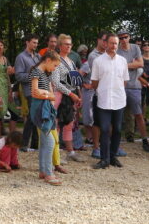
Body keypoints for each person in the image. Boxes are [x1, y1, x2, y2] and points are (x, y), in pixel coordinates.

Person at [90, 34, 129, 170]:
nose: (114, 46)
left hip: (119, 99)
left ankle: (112, 156)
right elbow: (94, 82)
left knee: (117, 129)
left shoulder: (123, 61)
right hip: (104, 99)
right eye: (111, 43)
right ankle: (104, 159)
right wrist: (103, 89)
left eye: (116, 44)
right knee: (105, 129)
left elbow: (124, 81)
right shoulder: (98, 61)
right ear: (106, 44)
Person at [30, 50, 64, 183]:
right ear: (48, 60)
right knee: (49, 141)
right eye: (55, 65)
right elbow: (34, 92)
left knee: (45, 141)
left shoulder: (46, 74)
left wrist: (46, 94)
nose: (55, 68)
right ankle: (48, 173)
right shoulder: (36, 72)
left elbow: (49, 93)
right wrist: (48, 95)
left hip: (45, 108)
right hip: (39, 109)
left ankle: (43, 171)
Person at [117, 30, 149, 153]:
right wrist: (132, 64)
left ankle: (145, 140)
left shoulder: (136, 47)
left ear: (129, 37)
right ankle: (114, 141)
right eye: (121, 38)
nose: (123, 40)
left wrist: (124, 65)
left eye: (125, 37)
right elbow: (115, 66)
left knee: (138, 114)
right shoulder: (116, 50)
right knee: (117, 114)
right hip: (120, 86)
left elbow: (141, 64)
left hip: (134, 86)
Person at [53, 34, 85, 163]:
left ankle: (71, 151)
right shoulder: (56, 60)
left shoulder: (71, 62)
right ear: (60, 46)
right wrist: (71, 94)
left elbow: (75, 80)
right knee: (57, 124)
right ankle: (56, 153)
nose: (68, 46)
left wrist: (78, 95)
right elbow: (56, 82)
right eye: (66, 44)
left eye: (70, 44)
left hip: (71, 96)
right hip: (59, 96)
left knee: (69, 123)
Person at [0, 38, 20, 139]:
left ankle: (12, 137)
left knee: (14, 112)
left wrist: (10, 90)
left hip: (6, 86)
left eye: (1, 45)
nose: (0, 48)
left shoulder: (5, 59)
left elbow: (7, 76)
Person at [14, 34, 41, 151]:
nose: (35, 45)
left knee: (35, 117)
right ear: (27, 42)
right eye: (33, 42)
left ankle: (34, 144)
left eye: (36, 43)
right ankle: (24, 144)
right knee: (32, 117)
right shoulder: (20, 57)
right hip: (29, 91)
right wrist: (33, 76)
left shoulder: (38, 56)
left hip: (39, 90)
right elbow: (19, 76)